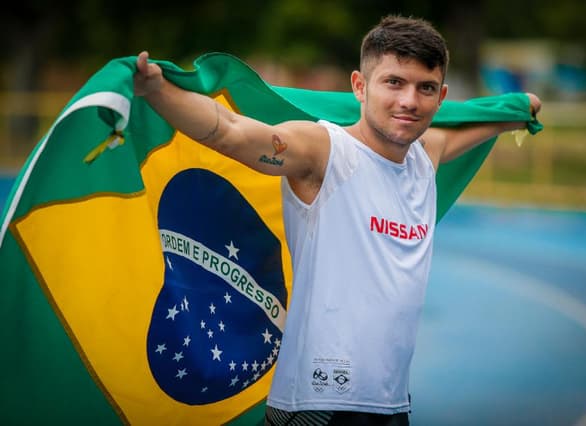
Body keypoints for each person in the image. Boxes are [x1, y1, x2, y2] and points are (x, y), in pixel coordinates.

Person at [134, 14, 541, 426]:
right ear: (359, 87)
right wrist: (155, 90)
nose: (409, 101)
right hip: (315, 405)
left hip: (391, 402)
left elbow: (477, 122)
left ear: (441, 97)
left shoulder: (426, 155)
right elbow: (232, 131)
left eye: (426, 88)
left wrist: (519, 110)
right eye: (394, 83)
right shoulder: (324, 151)